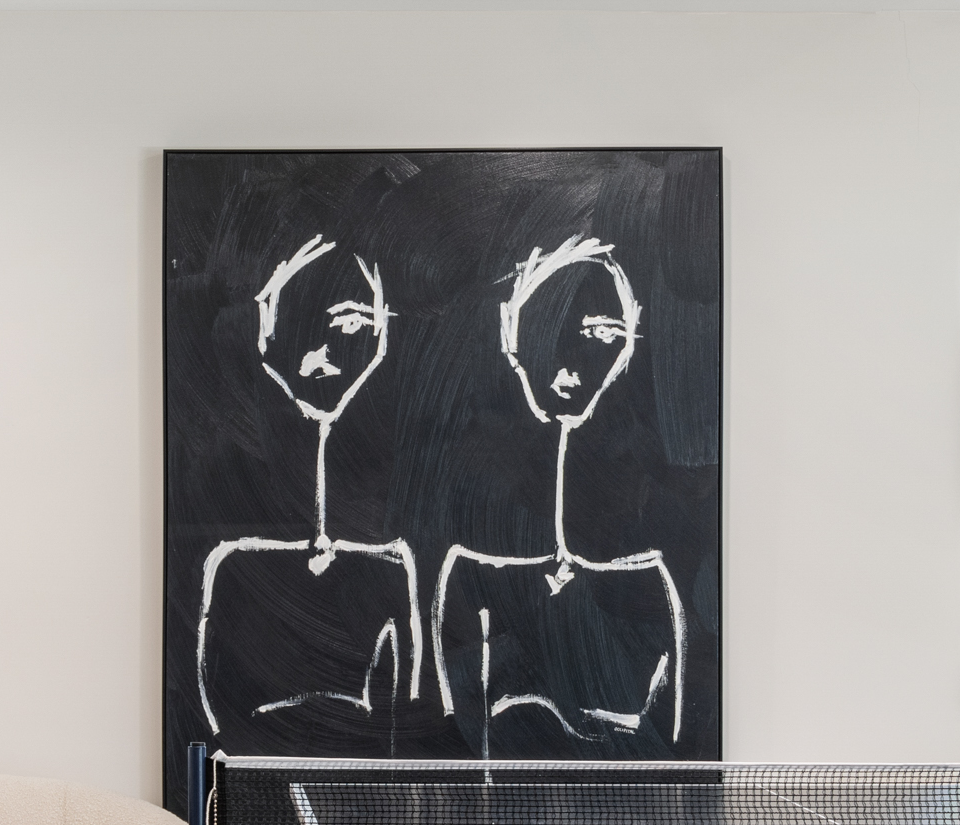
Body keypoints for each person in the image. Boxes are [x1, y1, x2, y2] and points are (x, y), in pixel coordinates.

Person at [433, 236, 688, 746]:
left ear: (628, 346)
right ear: (513, 336)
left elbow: (672, 744)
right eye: (551, 328)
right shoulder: (472, 564)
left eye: (599, 333)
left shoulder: (649, 577)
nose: (571, 364)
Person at [194, 234, 424, 738]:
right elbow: (215, 708)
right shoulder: (235, 562)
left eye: (350, 323)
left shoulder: (390, 562)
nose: (320, 350)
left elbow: (403, 710)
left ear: (381, 339)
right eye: (297, 320)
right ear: (266, 336)